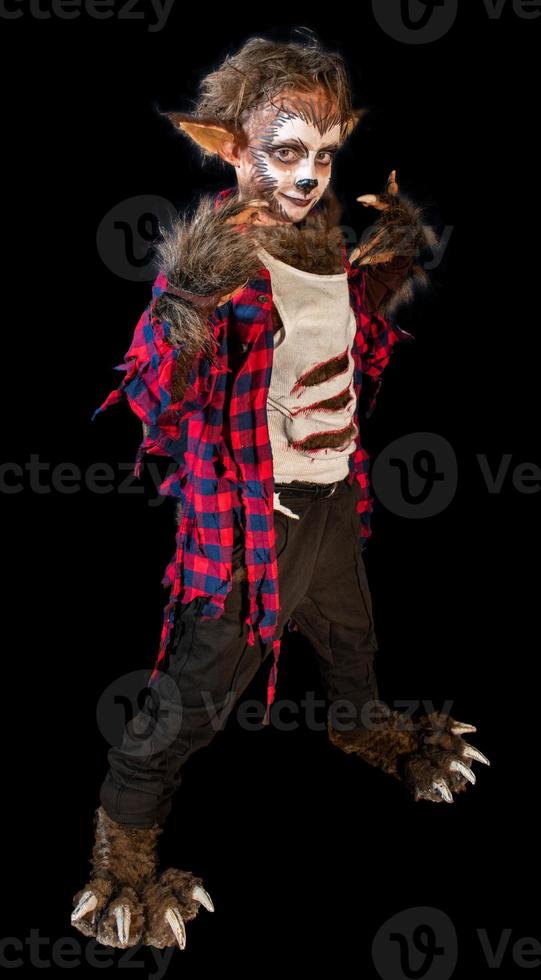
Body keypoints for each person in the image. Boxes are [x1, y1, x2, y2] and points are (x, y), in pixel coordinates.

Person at [71, 32, 489, 952]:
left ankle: (364, 734)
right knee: (187, 701)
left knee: (349, 640)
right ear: (228, 146)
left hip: (332, 504)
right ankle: (121, 870)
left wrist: (393, 261)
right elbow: (151, 392)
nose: (307, 174)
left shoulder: (321, 242)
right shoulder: (217, 267)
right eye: (285, 150)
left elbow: (342, 333)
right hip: (245, 530)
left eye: (325, 151)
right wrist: (185, 302)